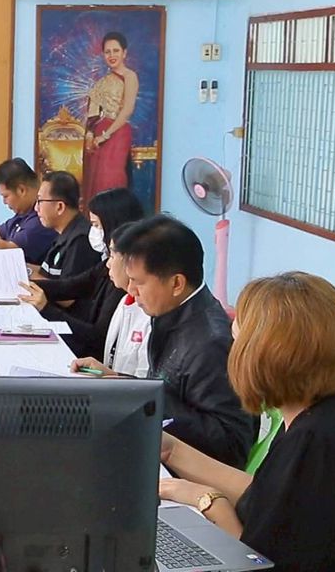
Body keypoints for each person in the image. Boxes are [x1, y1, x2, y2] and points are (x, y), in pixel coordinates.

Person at [158, 272, 335, 570]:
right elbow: (268, 496)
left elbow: (257, 563)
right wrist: (172, 450)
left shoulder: (317, 440)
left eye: (236, 341)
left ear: (259, 357)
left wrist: (207, 499)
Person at [113, 214, 256, 468]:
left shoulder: (210, 343)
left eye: (138, 282)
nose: (131, 290)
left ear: (177, 283)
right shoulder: (171, 312)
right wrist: (121, 383)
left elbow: (231, 446)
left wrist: (149, 400)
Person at [20, 187, 144, 357]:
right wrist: (23, 285)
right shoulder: (107, 264)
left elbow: (98, 338)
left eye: (96, 225)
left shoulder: (123, 280)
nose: (92, 231)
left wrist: (46, 308)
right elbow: (70, 286)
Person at [66, 222, 151, 377]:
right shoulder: (125, 301)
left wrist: (111, 377)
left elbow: (146, 383)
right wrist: (105, 373)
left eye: (112, 256)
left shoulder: (151, 313)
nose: (108, 264)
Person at [82, 31, 138, 200]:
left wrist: (106, 135)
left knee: (111, 179)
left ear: (124, 53)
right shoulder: (102, 82)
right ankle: (95, 216)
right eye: (107, 52)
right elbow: (93, 112)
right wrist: (90, 136)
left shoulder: (130, 76)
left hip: (118, 132)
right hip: (98, 135)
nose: (112, 55)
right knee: (96, 180)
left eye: (116, 51)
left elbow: (127, 110)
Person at [31, 170, 94, 279]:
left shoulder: (80, 241)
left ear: (59, 207)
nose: (36, 208)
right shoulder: (64, 233)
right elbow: (46, 273)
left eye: (40, 201)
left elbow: (67, 288)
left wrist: (27, 273)